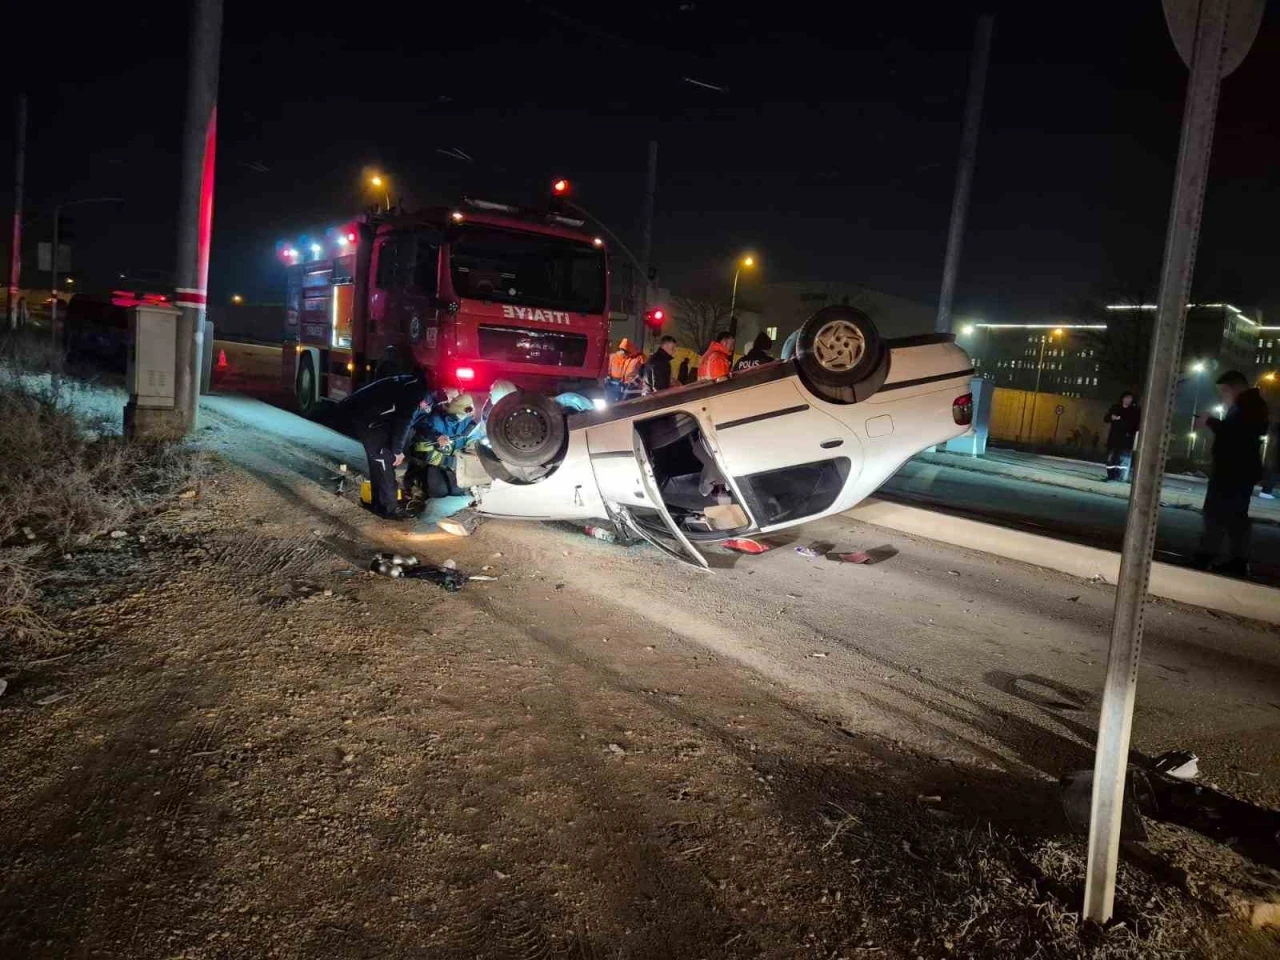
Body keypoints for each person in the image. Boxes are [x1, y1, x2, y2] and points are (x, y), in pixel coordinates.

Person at [1192, 370, 1269, 575]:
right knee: (1231, 515)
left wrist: (1211, 422)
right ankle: (1232, 559)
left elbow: (1236, 435)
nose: (1223, 397)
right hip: (1237, 469)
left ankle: (1215, 556)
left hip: (1234, 470)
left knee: (1220, 513)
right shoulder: (1250, 404)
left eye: (1224, 392)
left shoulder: (1249, 405)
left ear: (1234, 387)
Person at [337, 373, 432, 520]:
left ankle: (378, 503)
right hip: (366, 418)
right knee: (384, 460)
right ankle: (389, 509)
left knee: (381, 462)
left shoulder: (418, 385)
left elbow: (415, 422)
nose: (454, 396)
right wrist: (397, 451)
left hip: (375, 417)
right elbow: (403, 422)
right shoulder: (416, 394)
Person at [1101, 391, 1140, 481]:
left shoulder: (1134, 411)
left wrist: (1130, 432)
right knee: (1111, 459)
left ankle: (1120, 477)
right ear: (1122, 398)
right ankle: (1111, 476)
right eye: (1126, 398)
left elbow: (1137, 425)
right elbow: (1106, 418)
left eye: (1130, 398)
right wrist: (1112, 417)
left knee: (1123, 459)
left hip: (1126, 439)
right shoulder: (1115, 408)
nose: (1128, 400)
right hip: (1114, 438)